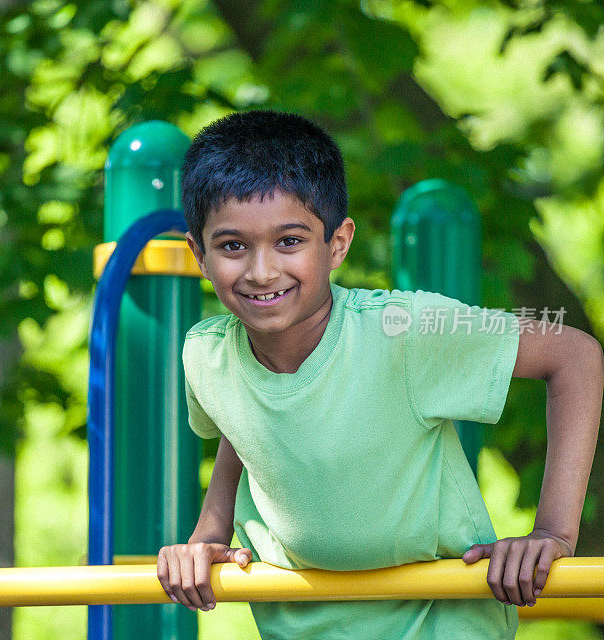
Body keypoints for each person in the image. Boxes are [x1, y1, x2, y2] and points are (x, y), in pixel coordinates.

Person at [155, 109, 603, 639]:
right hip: (305, 623)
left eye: (290, 242)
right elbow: (248, 425)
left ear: (338, 243)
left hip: (440, 618)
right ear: (199, 255)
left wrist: (553, 532)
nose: (261, 270)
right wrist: (210, 530)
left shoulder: (401, 331)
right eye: (233, 246)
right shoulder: (207, 356)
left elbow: (574, 355)